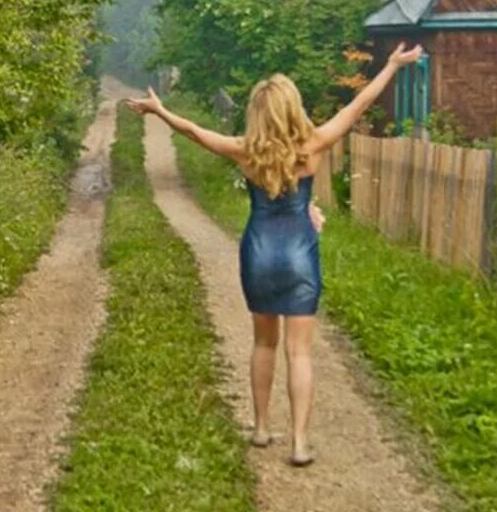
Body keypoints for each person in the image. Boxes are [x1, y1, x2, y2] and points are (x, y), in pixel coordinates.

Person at [126, 44, 425, 466]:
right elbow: (359, 105)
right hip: (300, 252)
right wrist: (392, 65)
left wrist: (160, 110)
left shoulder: (245, 150)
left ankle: (263, 427)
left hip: (259, 252)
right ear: (292, 108)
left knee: (264, 343)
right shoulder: (314, 144)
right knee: (299, 352)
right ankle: (300, 442)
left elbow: (194, 131)